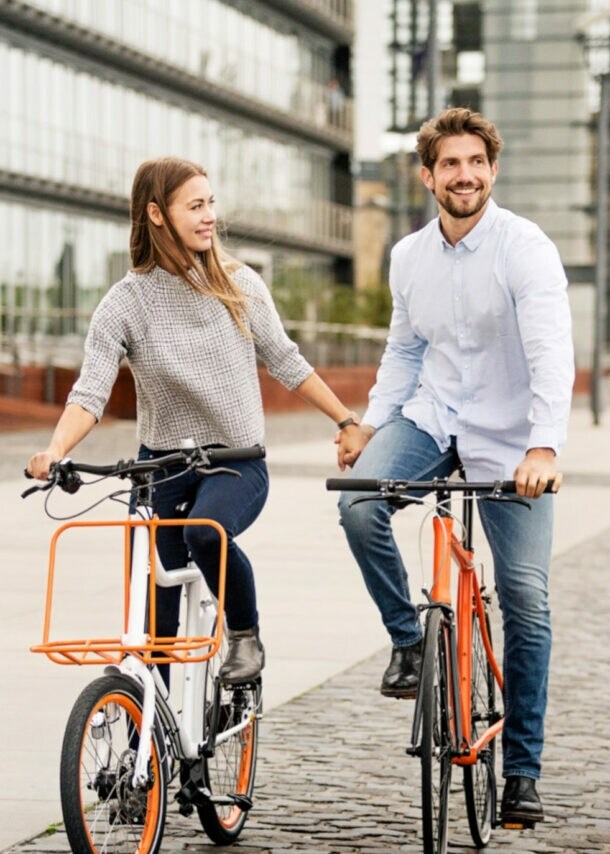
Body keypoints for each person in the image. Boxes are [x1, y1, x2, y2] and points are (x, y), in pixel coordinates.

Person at [27, 156, 364, 686]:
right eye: (196, 206)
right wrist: (54, 449)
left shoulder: (239, 285)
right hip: (159, 467)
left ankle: (246, 636)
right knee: (155, 618)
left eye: (211, 204)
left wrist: (347, 420)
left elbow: (286, 361)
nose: (209, 217)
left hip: (235, 462)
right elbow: (89, 392)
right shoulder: (124, 302)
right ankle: (150, 749)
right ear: (157, 214)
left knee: (204, 535)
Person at [336, 107, 574, 828]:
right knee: (358, 503)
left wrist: (544, 446)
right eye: (450, 164)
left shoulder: (525, 248)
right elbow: (404, 352)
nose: (464, 175)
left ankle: (522, 773)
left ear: (492, 170)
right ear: (427, 175)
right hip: (434, 418)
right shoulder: (409, 256)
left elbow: (549, 354)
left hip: (511, 440)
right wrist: (372, 424)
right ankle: (411, 644)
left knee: (526, 600)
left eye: (476, 162)